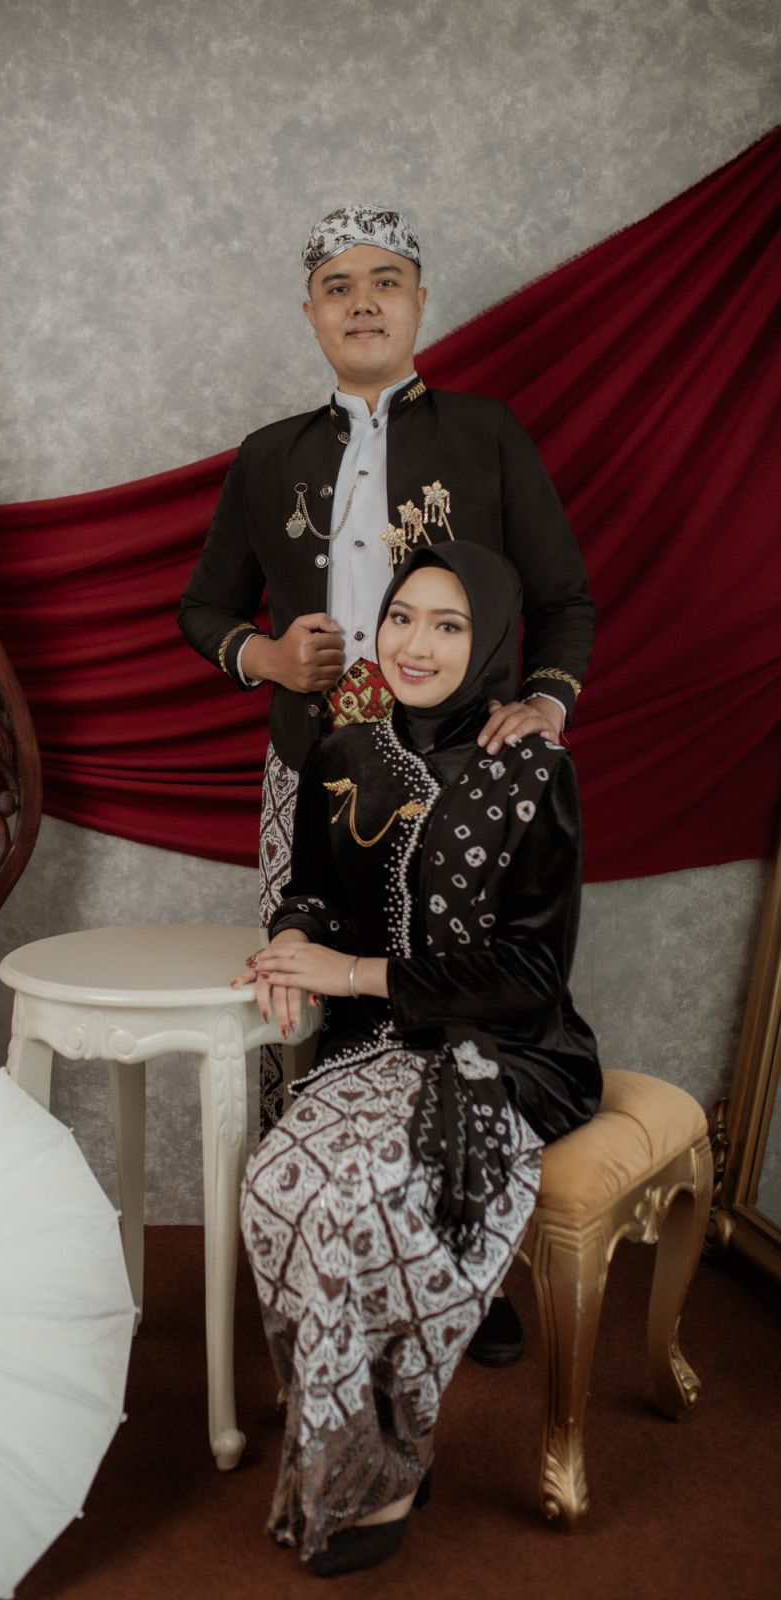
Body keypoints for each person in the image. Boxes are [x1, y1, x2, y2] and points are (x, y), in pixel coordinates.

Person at [179, 203, 594, 1363]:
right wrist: (265, 657)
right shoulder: (268, 456)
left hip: (464, 769)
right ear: (310, 311)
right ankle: (322, 1253)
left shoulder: (487, 433)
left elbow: (562, 597)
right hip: (317, 765)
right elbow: (204, 607)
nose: (362, 301)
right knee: (310, 994)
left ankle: (463, 1256)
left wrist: (545, 701)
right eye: (337, 285)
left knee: (468, 992)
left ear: (418, 303)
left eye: (386, 281)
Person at [232, 541, 601, 1576]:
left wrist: (349, 972)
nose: (417, 644)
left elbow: (532, 974)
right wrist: (293, 942)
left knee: (368, 1187)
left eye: (449, 624)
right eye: (402, 617)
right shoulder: (344, 749)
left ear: (491, 641)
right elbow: (312, 887)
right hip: (373, 1049)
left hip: (501, 1051)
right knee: (277, 1181)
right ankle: (356, 1443)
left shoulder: (533, 768)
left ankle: (384, 1469)